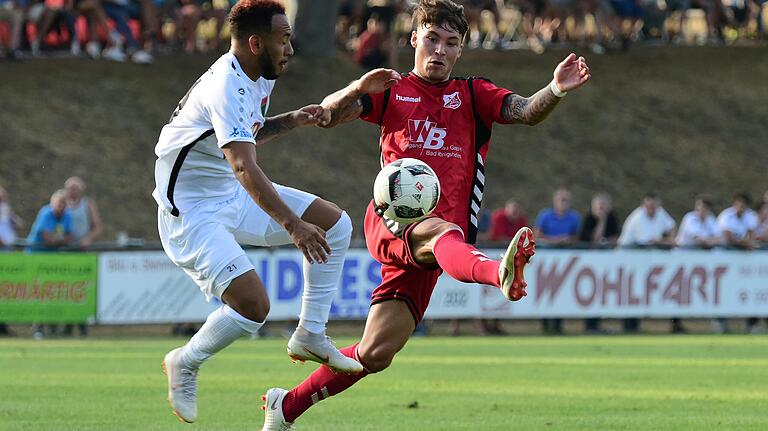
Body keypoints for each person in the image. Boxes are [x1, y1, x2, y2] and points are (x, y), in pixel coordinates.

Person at [260, 1, 590, 428]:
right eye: (432, 39)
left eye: (451, 43)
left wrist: (556, 89)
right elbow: (328, 116)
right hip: (394, 219)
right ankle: (498, 275)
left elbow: (525, 110)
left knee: (375, 353)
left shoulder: (472, 95)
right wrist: (359, 87)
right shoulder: (393, 90)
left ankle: (286, 406)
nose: (439, 50)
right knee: (441, 231)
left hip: (438, 247)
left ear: (460, 50)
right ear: (414, 39)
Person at [153, 0, 396, 423]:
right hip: (191, 213)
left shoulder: (256, 73)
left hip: (229, 192)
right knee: (253, 305)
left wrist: (291, 121)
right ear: (254, 42)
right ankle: (186, 361)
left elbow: (244, 137)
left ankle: (310, 334)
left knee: (336, 224)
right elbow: (243, 163)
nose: (290, 47)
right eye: (283, 38)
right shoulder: (226, 86)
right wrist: (293, 226)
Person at [579, 192, 620, 334]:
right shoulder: (588, 219)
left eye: (604, 206)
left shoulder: (613, 218)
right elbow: (593, 239)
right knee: (590, 292)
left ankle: (597, 324)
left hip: (606, 264)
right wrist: (601, 221)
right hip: (589, 265)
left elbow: (616, 238)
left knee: (602, 294)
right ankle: (590, 325)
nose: (602, 209)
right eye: (599, 206)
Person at [64, 176, 103, 249]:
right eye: (71, 188)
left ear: (81, 190)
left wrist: (89, 238)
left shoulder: (88, 204)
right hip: (63, 245)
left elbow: (98, 227)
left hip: (82, 246)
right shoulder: (61, 204)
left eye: (75, 188)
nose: (73, 190)